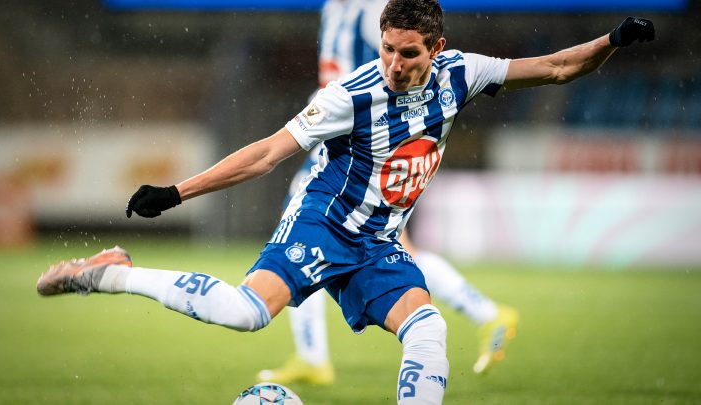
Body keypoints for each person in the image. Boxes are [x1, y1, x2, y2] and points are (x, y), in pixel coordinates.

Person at [37, 1, 655, 402]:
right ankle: (114, 275)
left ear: (434, 49)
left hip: (379, 244)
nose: (392, 63)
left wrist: (612, 39)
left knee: (428, 329)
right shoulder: (349, 95)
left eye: (406, 52)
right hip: (325, 223)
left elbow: (553, 69)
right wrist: (177, 192)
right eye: (386, 48)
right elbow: (266, 153)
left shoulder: (465, 72)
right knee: (246, 314)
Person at [256, 0, 518, 386]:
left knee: (362, 241)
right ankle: (312, 356)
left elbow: (398, 57)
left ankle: (485, 312)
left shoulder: (373, 8)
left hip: (367, 130)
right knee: (312, 231)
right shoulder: (336, 7)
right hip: (335, 124)